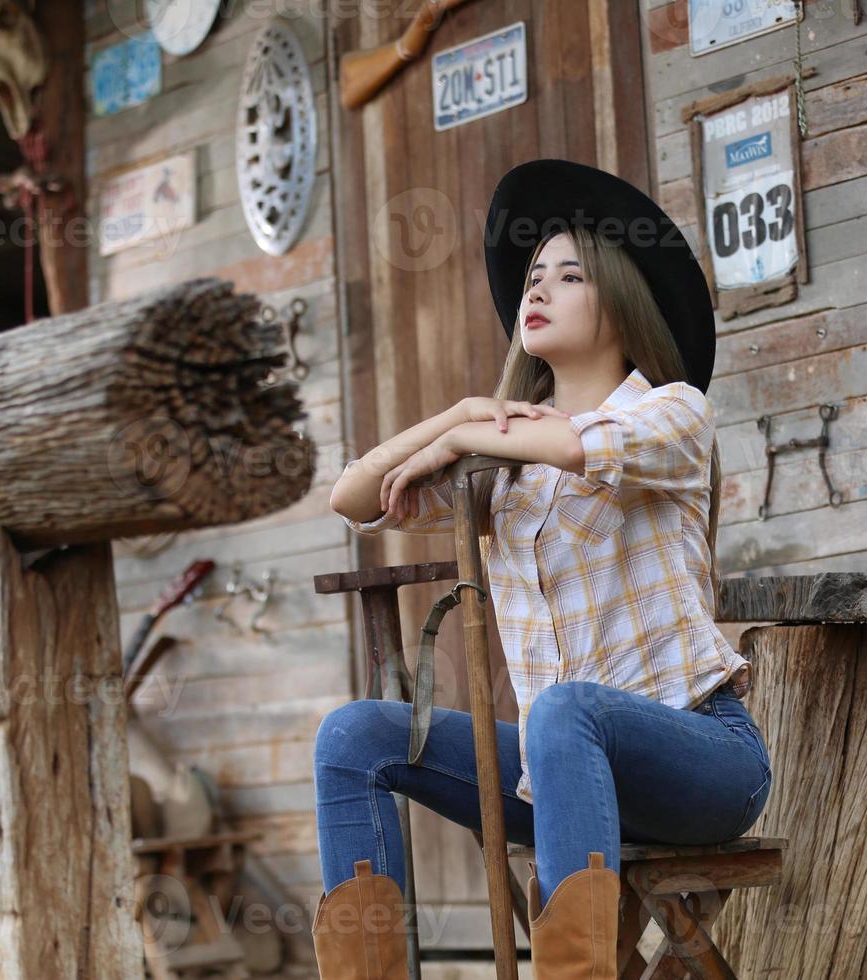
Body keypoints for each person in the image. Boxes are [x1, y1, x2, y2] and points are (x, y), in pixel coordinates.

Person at [313, 158, 771, 978]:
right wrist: (457, 416)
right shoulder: (499, 461)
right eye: (533, 275)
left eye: (569, 275)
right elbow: (352, 497)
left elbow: (575, 445)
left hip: (703, 761)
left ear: (624, 302)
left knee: (562, 710)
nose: (539, 288)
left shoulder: (673, 412)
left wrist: (465, 443)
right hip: (553, 774)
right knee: (353, 736)